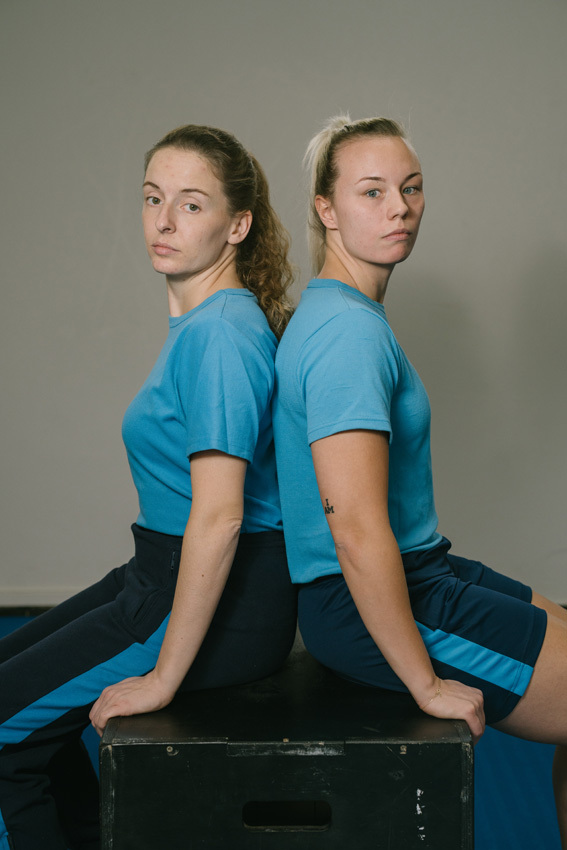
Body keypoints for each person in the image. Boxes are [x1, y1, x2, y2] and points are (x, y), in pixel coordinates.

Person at [0, 124, 297, 850]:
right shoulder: (204, 323)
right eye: (152, 198)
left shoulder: (221, 336)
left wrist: (164, 677)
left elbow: (221, 518)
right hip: (158, 570)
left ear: (237, 225)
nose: (163, 221)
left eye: (190, 204)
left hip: (223, 598)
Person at [273, 114, 567, 845]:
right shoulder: (346, 333)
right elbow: (353, 527)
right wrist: (425, 683)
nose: (399, 208)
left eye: (410, 188)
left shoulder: (342, 310)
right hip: (367, 595)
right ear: (326, 209)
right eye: (371, 192)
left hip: (422, 565)